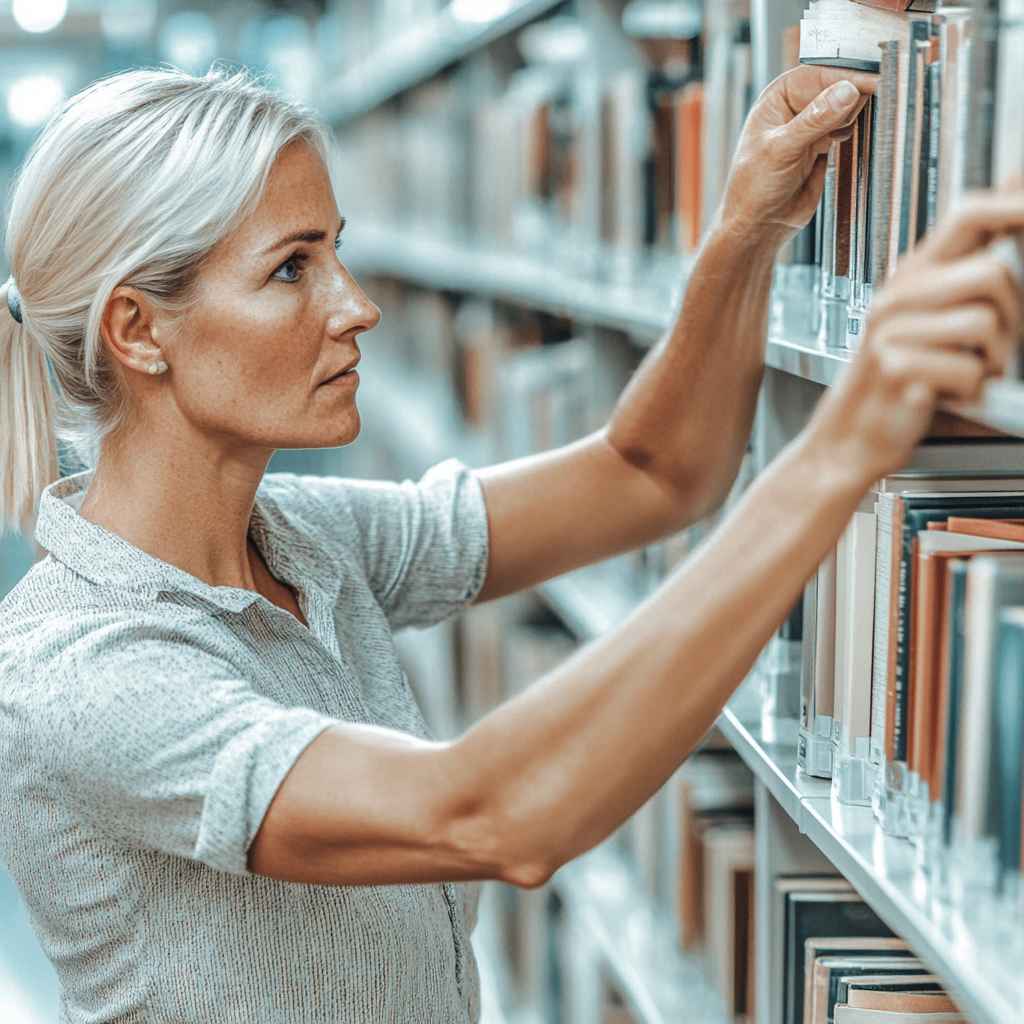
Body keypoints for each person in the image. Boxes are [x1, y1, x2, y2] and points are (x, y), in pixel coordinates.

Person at [0, 61, 1020, 1024]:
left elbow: (651, 474)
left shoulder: (304, 537)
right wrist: (843, 445)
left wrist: (746, 230)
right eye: (291, 268)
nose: (357, 305)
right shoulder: (86, 673)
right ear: (138, 331)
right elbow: (490, 813)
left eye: (337, 250)